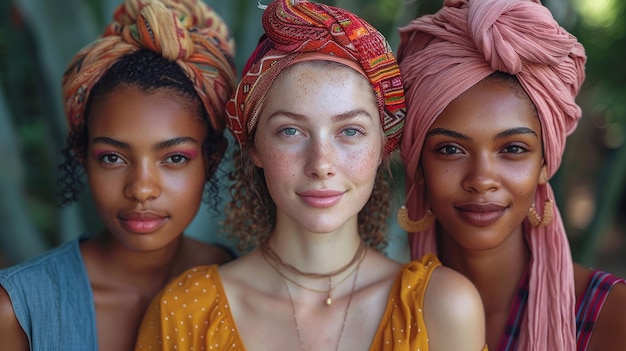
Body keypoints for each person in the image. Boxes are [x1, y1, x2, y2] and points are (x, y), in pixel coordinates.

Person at [135, 1, 487, 350]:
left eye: (350, 131)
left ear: (383, 146)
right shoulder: (185, 313)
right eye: (291, 131)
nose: (321, 163)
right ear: (254, 146)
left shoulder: (440, 308)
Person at [0, 0, 237, 350]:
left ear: (211, 159)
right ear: (83, 157)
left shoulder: (239, 284)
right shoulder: (17, 310)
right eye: (112, 157)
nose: (141, 188)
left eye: (173, 158)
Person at [396, 0, 626, 350]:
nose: (482, 178)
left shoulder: (612, 317)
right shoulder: (380, 311)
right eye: (450, 149)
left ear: (545, 164)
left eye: (514, 149)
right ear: (419, 165)